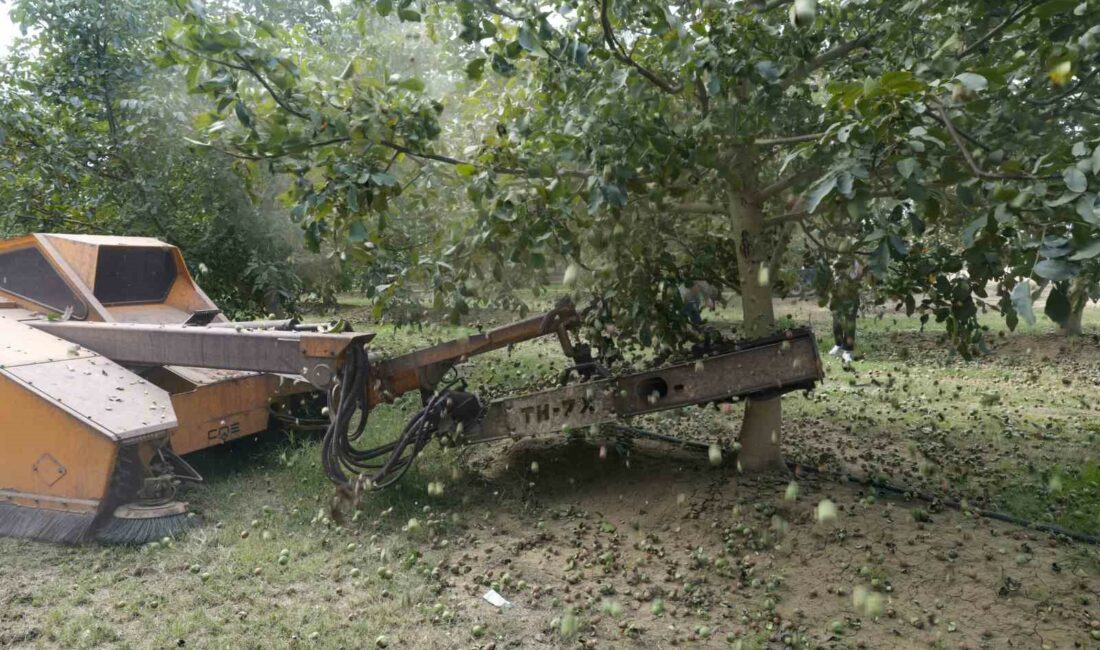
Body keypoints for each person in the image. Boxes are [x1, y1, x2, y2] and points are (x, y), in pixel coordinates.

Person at [827, 259, 863, 364]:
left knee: (849, 323)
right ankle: (838, 344)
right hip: (837, 297)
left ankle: (848, 351)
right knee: (837, 322)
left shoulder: (856, 263)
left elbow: (859, 275)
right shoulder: (835, 260)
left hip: (851, 297)